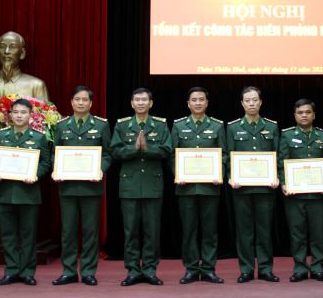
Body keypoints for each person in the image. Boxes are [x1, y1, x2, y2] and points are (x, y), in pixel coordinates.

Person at [110, 88, 172, 286]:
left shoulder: (161, 125)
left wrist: (148, 148)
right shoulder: (122, 125)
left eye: (145, 100)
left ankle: (150, 270)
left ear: (151, 103)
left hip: (153, 184)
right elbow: (115, 152)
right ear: (131, 103)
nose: (141, 103)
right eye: (137, 100)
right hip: (129, 185)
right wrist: (133, 149)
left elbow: (167, 150)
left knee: (152, 231)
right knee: (130, 231)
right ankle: (133, 270)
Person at [52, 86, 111, 286]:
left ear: (91, 103)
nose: (80, 103)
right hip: (67, 187)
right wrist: (56, 169)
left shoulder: (101, 125)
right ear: (71, 102)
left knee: (90, 232)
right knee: (68, 232)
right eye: (77, 99)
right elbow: (55, 153)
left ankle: (88, 271)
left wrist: (100, 170)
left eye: (85, 100)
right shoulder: (61, 126)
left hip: (91, 187)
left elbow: (107, 154)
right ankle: (68, 271)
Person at [0, 99, 51, 286]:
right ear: (9, 115)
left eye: (23, 112)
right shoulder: (1, 136)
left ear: (30, 115)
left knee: (28, 235)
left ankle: (27, 271)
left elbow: (46, 163)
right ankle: (11, 270)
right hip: (5, 193)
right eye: (15, 112)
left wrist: (35, 174)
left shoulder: (39, 137)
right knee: (8, 235)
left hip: (28, 193)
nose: (19, 115)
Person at [171, 87, 227, 284]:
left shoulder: (217, 126)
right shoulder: (178, 126)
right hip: (186, 188)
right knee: (189, 230)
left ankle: (209, 268)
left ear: (207, 103)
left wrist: (219, 173)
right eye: (193, 100)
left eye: (201, 99)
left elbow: (224, 155)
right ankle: (191, 268)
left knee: (210, 230)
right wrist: (178, 173)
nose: (197, 103)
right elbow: (173, 154)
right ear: (188, 103)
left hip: (210, 187)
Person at [226, 87, 280, 283]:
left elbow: (278, 156)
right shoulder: (232, 128)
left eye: (254, 100)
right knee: (244, 231)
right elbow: (228, 157)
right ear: (242, 103)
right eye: (247, 100)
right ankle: (246, 269)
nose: (251, 104)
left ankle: (265, 269)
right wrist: (231, 176)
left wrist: (277, 177)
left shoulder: (272, 127)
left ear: (260, 102)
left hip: (266, 188)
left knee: (265, 230)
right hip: (241, 188)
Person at [278, 98, 323, 282]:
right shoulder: (285, 136)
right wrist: (284, 183)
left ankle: (318, 268)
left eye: (308, 112)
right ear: (295, 115)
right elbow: (281, 163)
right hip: (294, 195)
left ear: (314, 115)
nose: (304, 115)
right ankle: (300, 268)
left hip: (318, 195)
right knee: (297, 233)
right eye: (300, 112)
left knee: (318, 234)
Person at [0, 31, 48, 100]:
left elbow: (46, 112)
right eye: (2, 46)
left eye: (13, 47)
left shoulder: (36, 85)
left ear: (22, 53)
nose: (6, 51)